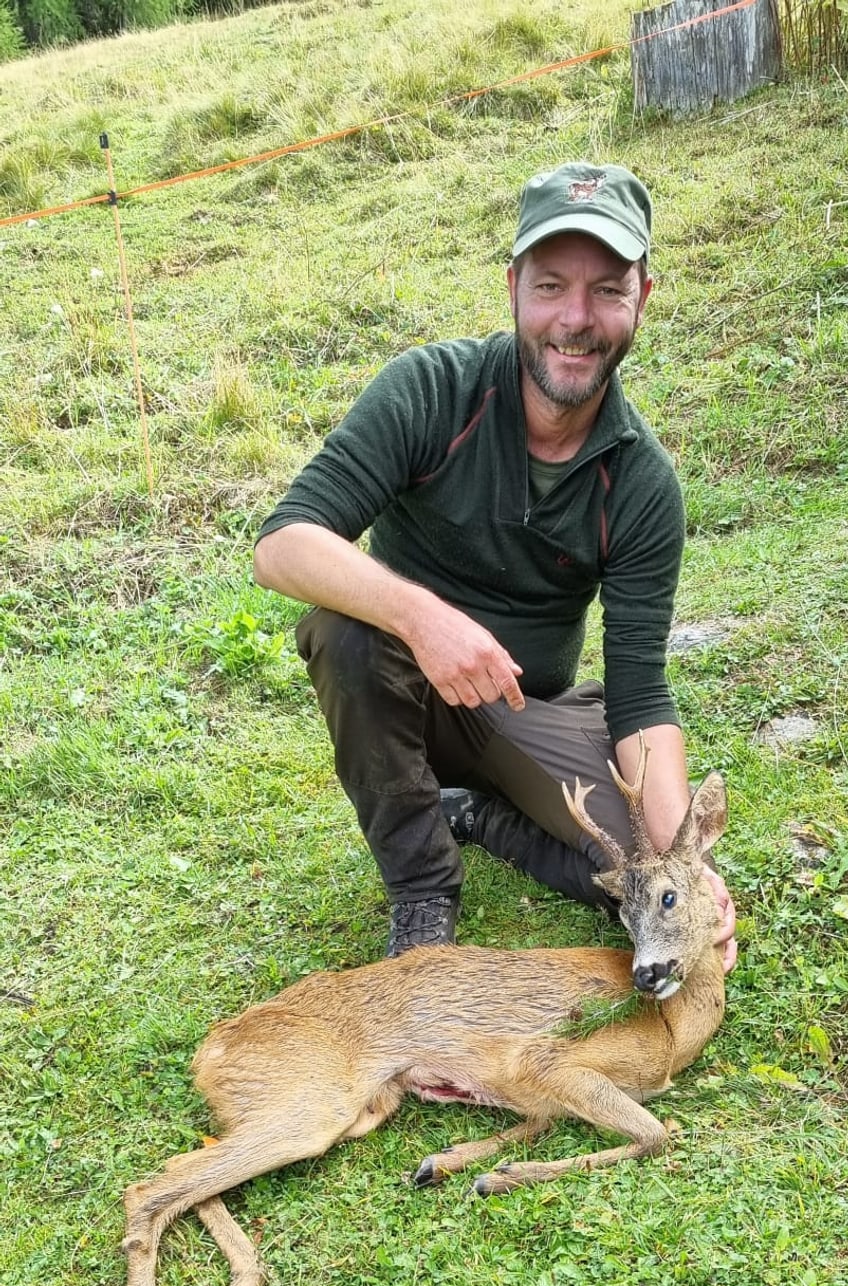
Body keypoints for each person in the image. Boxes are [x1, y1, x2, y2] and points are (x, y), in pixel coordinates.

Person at [254, 162, 737, 966]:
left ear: (641, 299)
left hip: (530, 712)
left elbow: (642, 691)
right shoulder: (429, 391)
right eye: (551, 285)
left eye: (607, 290)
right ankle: (421, 889)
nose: (575, 319)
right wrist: (426, 619)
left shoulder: (644, 483)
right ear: (513, 286)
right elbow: (283, 544)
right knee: (343, 632)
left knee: (635, 877)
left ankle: (476, 815)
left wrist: (688, 867)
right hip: (404, 702)